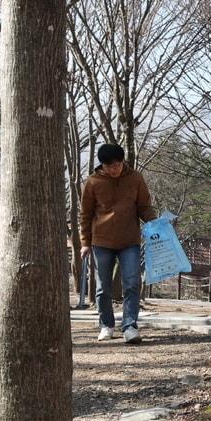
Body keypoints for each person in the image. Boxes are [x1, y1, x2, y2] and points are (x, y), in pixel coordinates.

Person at [79, 142, 156, 343]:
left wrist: (156, 226)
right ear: (102, 166)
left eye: (117, 165)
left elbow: (144, 207)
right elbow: (85, 215)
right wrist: (85, 242)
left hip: (129, 240)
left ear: (123, 162)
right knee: (103, 286)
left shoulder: (135, 178)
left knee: (131, 283)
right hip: (101, 241)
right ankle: (106, 325)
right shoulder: (92, 182)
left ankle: (130, 326)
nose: (114, 169)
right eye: (109, 166)